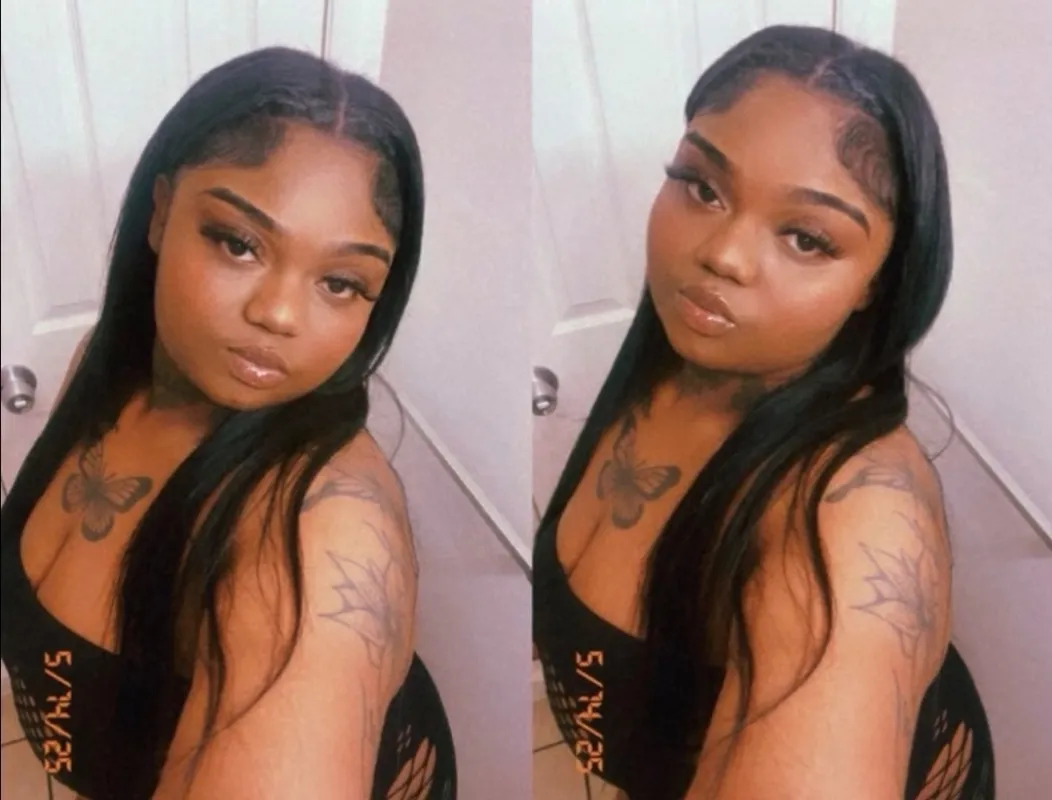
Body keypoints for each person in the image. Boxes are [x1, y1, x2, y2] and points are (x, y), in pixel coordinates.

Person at [533, 25, 993, 800]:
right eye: (701, 186)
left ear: (878, 282)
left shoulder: (852, 518)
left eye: (807, 238)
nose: (722, 254)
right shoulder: (684, 356)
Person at [0, 47, 455, 800]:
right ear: (160, 213)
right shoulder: (100, 366)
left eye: (341, 282)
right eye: (239, 243)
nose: (278, 314)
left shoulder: (320, 530)